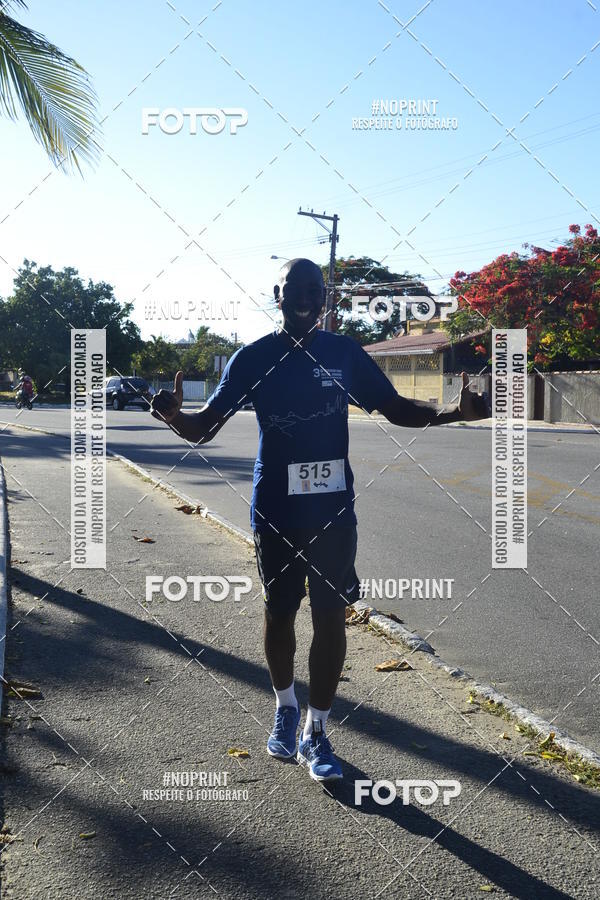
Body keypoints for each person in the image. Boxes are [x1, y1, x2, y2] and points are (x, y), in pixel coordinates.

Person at [151, 258, 488, 782]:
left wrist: (451, 413)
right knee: (280, 611)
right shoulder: (253, 358)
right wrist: (176, 417)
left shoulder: (344, 354)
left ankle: (318, 727)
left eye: (315, 290)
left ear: (325, 298)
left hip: (332, 511)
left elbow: (393, 406)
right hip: (276, 509)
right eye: (294, 290)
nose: (305, 298)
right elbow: (204, 427)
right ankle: (286, 708)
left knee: (330, 616)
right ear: (277, 295)